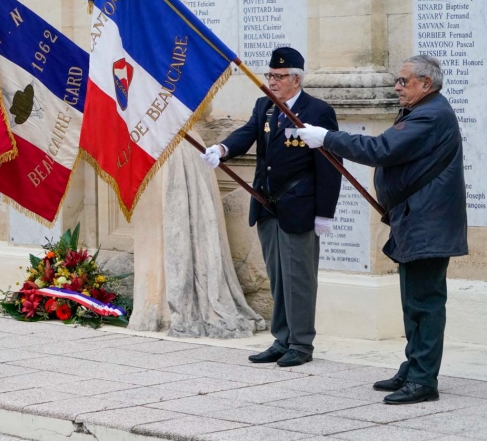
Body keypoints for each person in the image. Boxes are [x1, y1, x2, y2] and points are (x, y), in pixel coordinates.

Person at [297, 55, 467, 404]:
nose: (397, 87)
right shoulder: (423, 110)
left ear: (426, 83)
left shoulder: (431, 115)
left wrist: (327, 137)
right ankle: (414, 366)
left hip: (427, 225)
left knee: (424, 303)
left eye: (404, 81)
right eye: (398, 80)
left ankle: (423, 379)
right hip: (416, 221)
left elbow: (380, 149)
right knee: (413, 302)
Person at [200, 47, 342, 367]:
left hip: (299, 208)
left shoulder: (317, 111)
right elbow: (247, 134)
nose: (272, 82)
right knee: (278, 277)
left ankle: (302, 344)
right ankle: (282, 339)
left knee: (299, 279)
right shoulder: (265, 106)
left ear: (296, 79)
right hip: (267, 205)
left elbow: (330, 165)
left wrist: (324, 212)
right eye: (270, 75)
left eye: (279, 77)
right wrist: (222, 148)